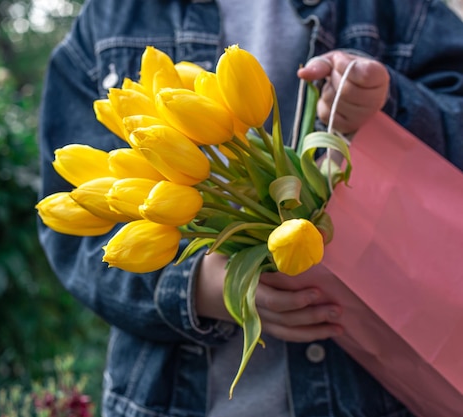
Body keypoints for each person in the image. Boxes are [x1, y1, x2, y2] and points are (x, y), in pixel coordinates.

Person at [37, 1, 463, 416]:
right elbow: (75, 230)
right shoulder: (113, 14)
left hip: (378, 391)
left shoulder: (392, 6)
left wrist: (389, 102)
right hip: (173, 400)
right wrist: (201, 287)